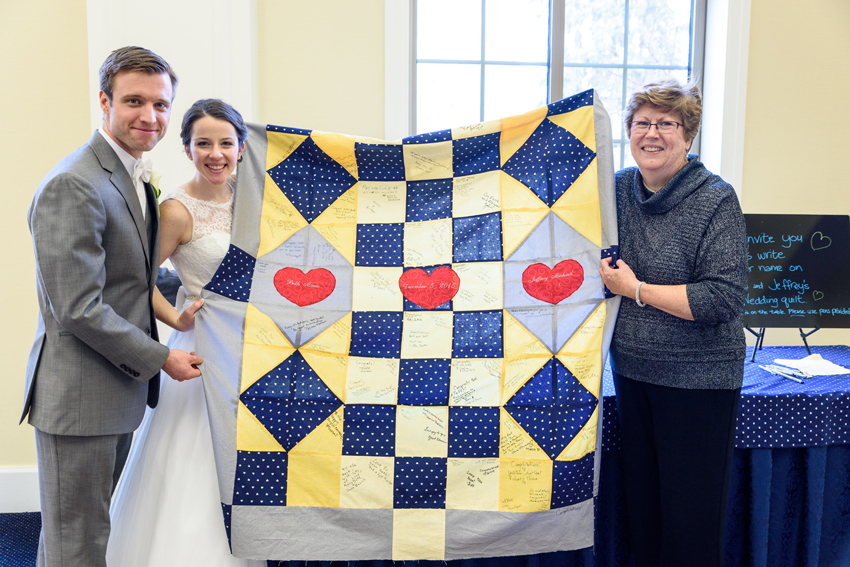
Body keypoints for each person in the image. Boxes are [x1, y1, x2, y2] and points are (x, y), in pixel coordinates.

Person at [22, 46, 203, 567]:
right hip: (80, 396)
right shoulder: (73, 184)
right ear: (104, 101)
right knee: (76, 541)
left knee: (81, 535)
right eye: (134, 102)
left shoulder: (129, 174)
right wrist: (161, 356)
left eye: (162, 105)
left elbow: (130, 277)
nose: (151, 117)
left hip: (114, 388)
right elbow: (78, 307)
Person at [106, 99, 264, 567]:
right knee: (197, 462)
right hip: (203, 347)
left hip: (254, 344)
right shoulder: (175, 209)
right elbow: (136, 278)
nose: (215, 154)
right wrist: (175, 320)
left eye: (225, 143)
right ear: (186, 148)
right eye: (203, 143)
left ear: (241, 148)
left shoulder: (255, 198)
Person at [598, 80, 748, 567]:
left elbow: (721, 298)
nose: (653, 133)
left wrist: (636, 290)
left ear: (688, 136)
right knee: (644, 515)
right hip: (633, 374)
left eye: (667, 124)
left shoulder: (716, 199)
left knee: (689, 523)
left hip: (697, 382)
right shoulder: (617, 189)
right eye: (642, 123)